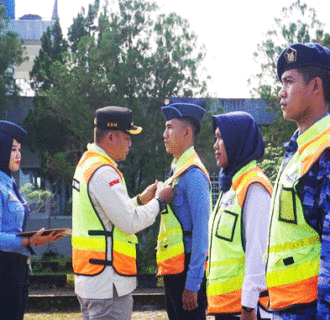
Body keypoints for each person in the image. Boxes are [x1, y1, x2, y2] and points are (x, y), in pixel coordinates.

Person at [72, 106, 173, 320]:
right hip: (108, 284)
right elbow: (129, 222)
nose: (130, 144)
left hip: (91, 280)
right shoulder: (105, 172)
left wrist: (139, 200)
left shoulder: (87, 165)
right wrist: (159, 201)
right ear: (110, 136)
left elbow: (106, 215)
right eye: (127, 137)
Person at [264, 42, 330, 320]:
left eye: (289, 82)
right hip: (282, 306)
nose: (281, 92)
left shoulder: (324, 152)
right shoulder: (297, 152)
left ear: (316, 86)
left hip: (310, 310)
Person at [206, 112, 272, 320]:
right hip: (225, 307)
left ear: (237, 140)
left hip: (245, 311)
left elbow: (257, 251)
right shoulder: (231, 186)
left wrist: (248, 307)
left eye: (221, 137)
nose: (215, 145)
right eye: (215, 138)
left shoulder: (254, 186)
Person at [0, 120, 65, 320]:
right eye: (12, 149)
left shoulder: (10, 183)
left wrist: (39, 239)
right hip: (4, 270)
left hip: (18, 268)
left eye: (19, 149)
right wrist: (27, 241)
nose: (18, 155)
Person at [156, 97, 211, 320]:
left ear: (187, 133)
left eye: (170, 127)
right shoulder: (177, 170)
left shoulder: (194, 175)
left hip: (187, 270)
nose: (164, 134)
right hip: (174, 270)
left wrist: (193, 284)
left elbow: (200, 233)